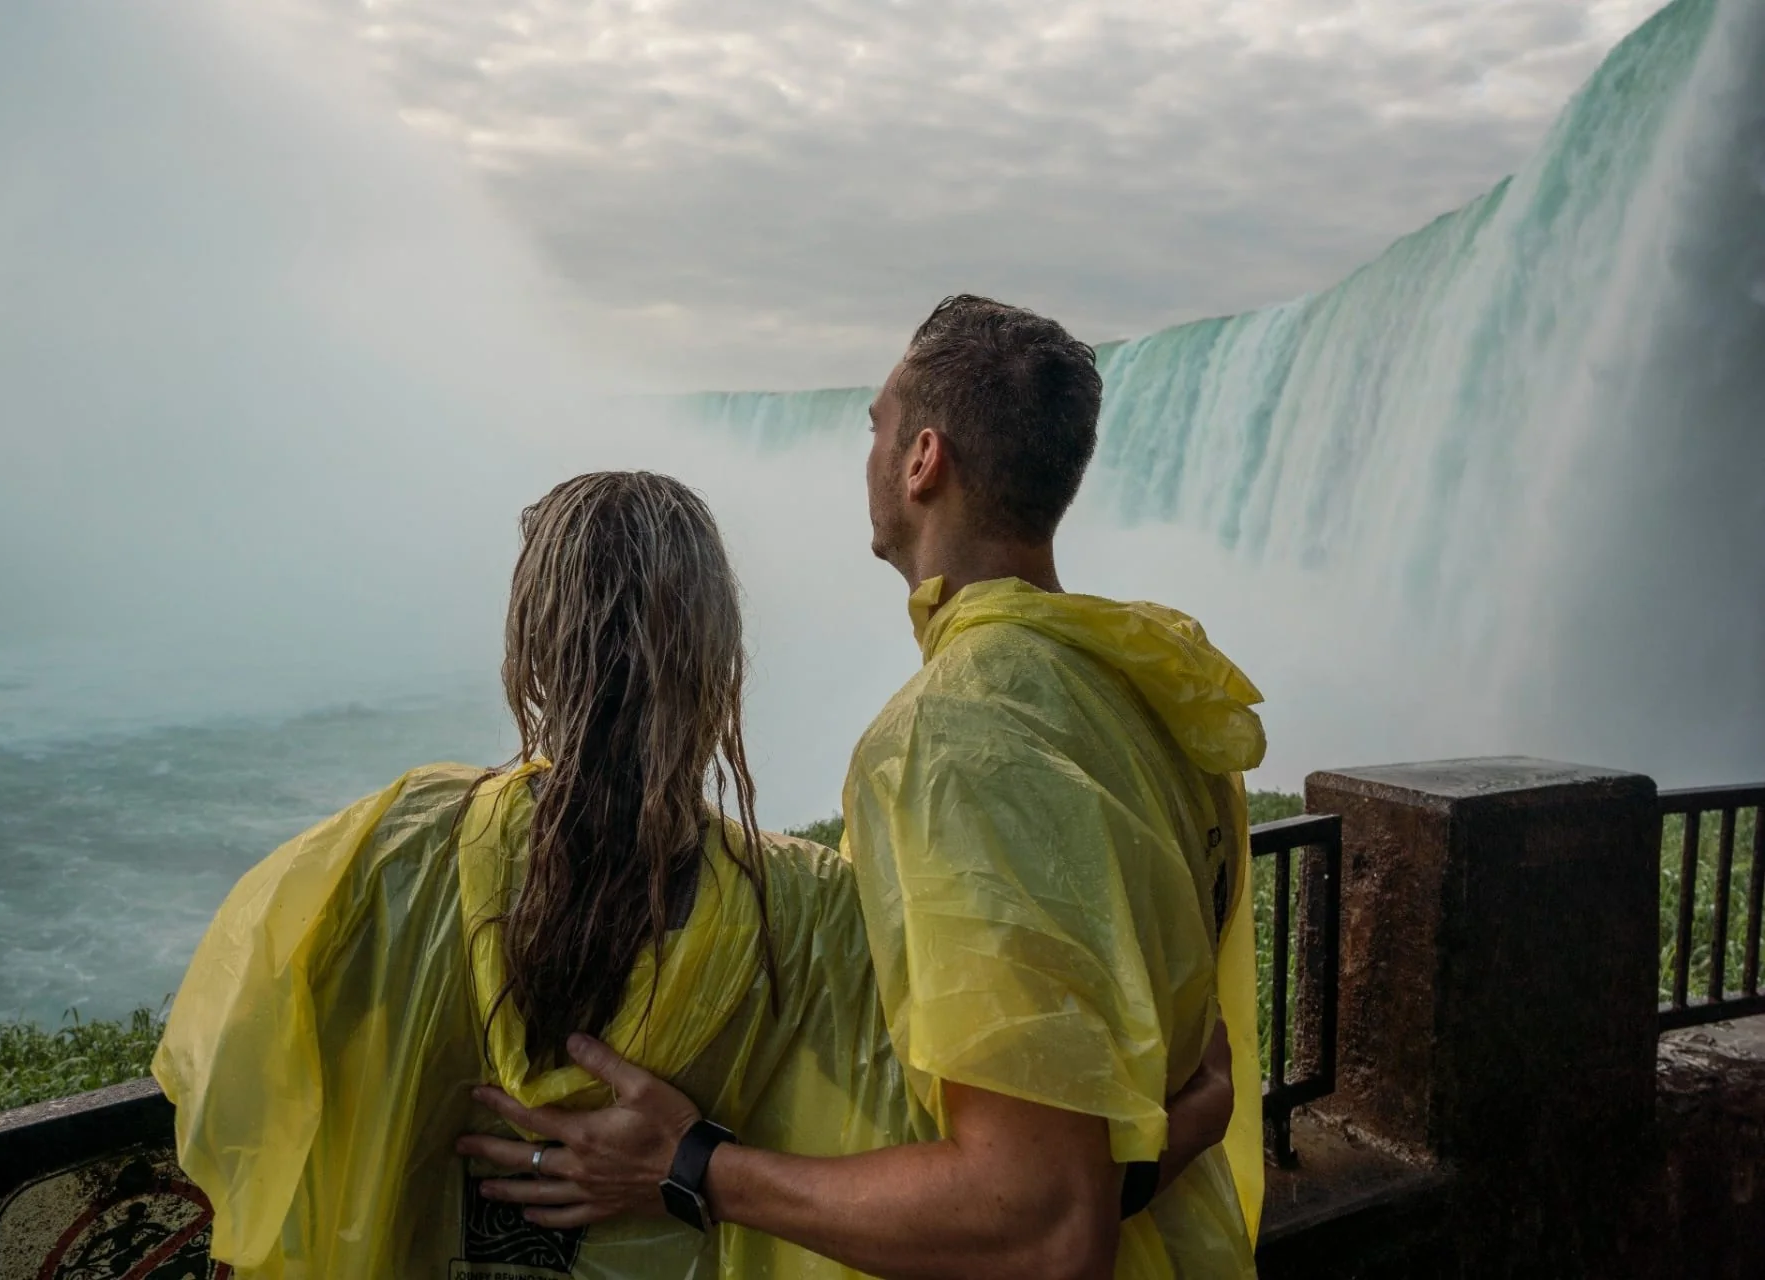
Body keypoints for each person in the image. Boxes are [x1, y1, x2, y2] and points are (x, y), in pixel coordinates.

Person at [152, 469, 1237, 1280]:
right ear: (718, 661)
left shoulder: (385, 858)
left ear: (530, 653)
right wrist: (1173, 1132)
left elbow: (244, 1092)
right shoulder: (806, 913)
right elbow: (971, 1181)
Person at [466, 298, 1268, 1280]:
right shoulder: (1146, 691)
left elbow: (1040, 1225)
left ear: (922, 458)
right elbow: (1159, 1071)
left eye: (875, 427)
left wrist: (687, 1164)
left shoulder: (952, 740)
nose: (868, 452)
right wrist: (1170, 1134)